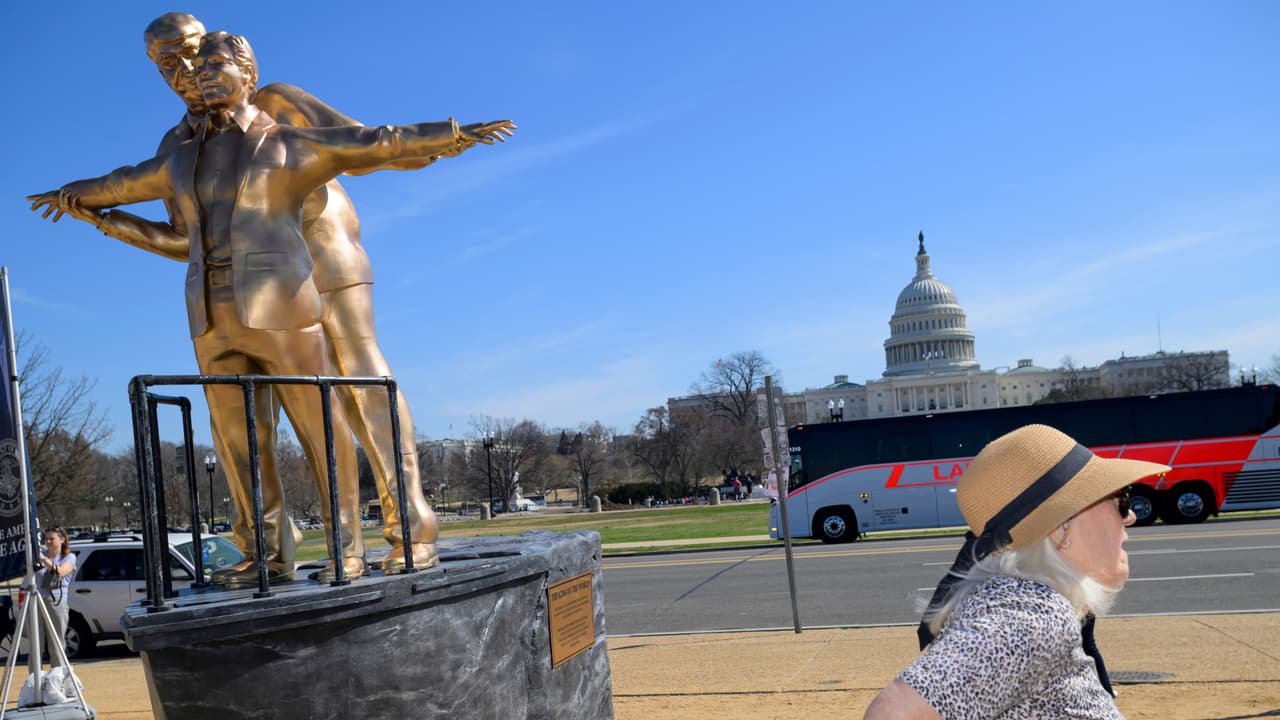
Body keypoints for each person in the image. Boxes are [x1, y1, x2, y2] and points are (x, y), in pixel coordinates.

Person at [30, 31, 512, 584]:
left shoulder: (275, 106)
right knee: (246, 421)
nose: (188, 68)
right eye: (170, 63)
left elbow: (362, 145)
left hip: (322, 255)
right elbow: (178, 232)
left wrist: (443, 140)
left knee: (356, 382)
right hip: (233, 289)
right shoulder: (178, 148)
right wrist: (99, 216)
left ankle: (407, 524)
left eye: (195, 53)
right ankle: (273, 549)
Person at [864, 424, 1169, 719]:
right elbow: (895, 714)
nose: (1128, 516)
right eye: (1120, 498)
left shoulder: (1019, 603)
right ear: (1060, 526)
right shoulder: (1033, 615)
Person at [37, 527, 76, 667]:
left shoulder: (68, 557)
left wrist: (44, 560)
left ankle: (58, 675)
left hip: (56, 601)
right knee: (36, 644)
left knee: (56, 642)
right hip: (38, 600)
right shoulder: (39, 555)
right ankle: (35, 679)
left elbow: (61, 572)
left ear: (62, 540)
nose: (48, 542)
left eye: (51, 539)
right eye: (46, 539)